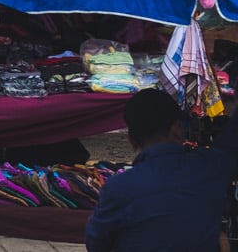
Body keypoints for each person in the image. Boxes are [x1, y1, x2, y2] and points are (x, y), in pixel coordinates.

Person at [85, 87, 238, 251]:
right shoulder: (211, 167)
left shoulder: (118, 188)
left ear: (131, 139)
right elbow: (231, 142)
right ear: (177, 131)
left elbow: (96, 244)